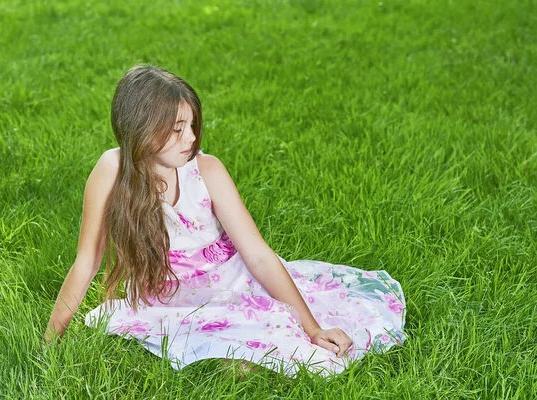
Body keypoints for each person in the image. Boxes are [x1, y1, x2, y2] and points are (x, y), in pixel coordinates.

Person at [44, 65, 406, 376]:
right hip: (169, 298)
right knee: (217, 354)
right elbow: (87, 260)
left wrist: (311, 327)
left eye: (191, 125)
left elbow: (258, 254)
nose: (191, 137)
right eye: (176, 129)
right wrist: (50, 340)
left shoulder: (206, 170)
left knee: (283, 351)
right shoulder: (112, 170)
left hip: (232, 285)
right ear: (140, 128)